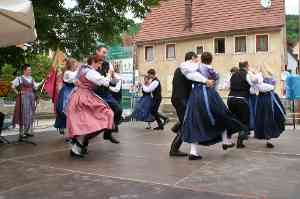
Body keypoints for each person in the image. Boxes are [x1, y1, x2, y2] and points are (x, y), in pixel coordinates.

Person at [182, 52, 244, 160]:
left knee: (195, 120)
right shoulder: (213, 72)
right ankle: (225, 141)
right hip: (209, 94)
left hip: (195, 95)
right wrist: (207, 82)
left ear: (202, 59)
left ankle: (193, 152)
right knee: (222, 116)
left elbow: (186, 71)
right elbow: (215, 86)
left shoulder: (196, 67)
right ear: (211, 60)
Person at [66, 56, 114, 158]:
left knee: (83, 123)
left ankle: (78, 146)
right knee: (106, 114)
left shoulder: (82, 69)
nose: (100, 66)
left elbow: (73, 79)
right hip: (84, 97)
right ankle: (77, 147)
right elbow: (104, 82)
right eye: (99, 64)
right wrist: (109, 75)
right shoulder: (90, 72)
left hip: (79, 96)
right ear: (93, 62)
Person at [170, 51, 214, 157]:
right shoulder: (186, 68)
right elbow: (194, 76)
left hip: (177, 98)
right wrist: (206, 81)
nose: (197, 61)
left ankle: (177, 127)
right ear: (191, 58)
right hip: (182, 99)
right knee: (186, 124)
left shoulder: (180, 68)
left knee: (185, 120)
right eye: (196, 59)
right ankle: (174, 149)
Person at [94, 46, 122, 143]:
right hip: (95, 94)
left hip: (106, 93)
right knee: (94, 122)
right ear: (97, 52)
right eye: (103, 52)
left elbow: (113, 81)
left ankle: (108, 133)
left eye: (106, 53)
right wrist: (109, 76)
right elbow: (98, 81)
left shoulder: (108, 64)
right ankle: (82, 143)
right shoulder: (91, 63)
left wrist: (114, 77)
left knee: (118, 110)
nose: (105, 55)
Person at [254, 66, 286, 148]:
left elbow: (265, 87)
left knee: (268, 118)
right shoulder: (262, 80)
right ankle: (268, 137)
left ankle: (268, 137)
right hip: (266, 99)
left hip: (268, 99)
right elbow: (260, 88)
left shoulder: (269, 79)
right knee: (266, 118)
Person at [11, 64, 43, 138]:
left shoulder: (31, 78)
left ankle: (27, 131)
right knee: (23, 114)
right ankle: (21, 133)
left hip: (31, 98)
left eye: (30, 70)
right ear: (24, 70)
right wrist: (18, 92)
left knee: (31, 114)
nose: (30, 71)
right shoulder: (20, 78)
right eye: (28, 70)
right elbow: (12, 86)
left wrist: (42, 81)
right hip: (23, 98)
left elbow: (35, 86)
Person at [227, 61, 252, 148]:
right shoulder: (247, 75)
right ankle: (239, 142)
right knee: (244, 121)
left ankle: (227, 140)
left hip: (230, 99)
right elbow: (253, 85)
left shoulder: (233, 75)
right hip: (241, 100)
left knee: (232, 119)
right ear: (246, 66)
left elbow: (227, 86)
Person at [54, 58, 79, 136]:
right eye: (75, 64)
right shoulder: (67, 73)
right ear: (71, 65)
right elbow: (74, 77)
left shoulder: (72, 72)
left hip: (72, 92)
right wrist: (81, 70)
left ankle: (72, 132)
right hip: (66, 93)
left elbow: (76, 79)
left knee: (72, 112)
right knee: (66, 111)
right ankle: (68, 132)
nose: (76, 66)